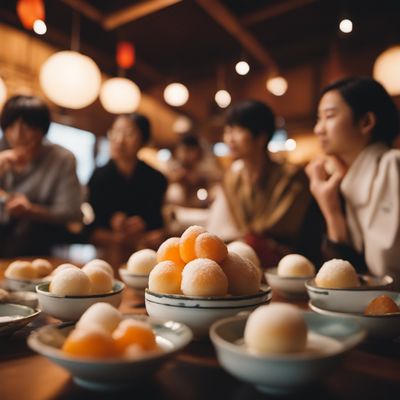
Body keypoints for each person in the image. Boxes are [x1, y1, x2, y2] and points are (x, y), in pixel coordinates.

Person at [306, 76, 400, 287]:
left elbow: (384, 275)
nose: (318, 129)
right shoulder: (339, 181)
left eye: (329, 116)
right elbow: (341, 278)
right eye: (318, 118)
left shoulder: (392, 165)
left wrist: (331, 209)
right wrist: (331, 210)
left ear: (366, 122)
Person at [207, 99, 323, 267]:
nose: (229, 138)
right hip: (249, 255)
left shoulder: (291, 177)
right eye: (227, 131)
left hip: (289, 262)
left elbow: (282, 228)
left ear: (261, 137)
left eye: (238, 130)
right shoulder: (231, 178)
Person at [0, 95, 83, 256]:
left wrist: (30, 210)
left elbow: (70, 212)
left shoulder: (62, 159)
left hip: (43, 244)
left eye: (27, 127)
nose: (17, 135)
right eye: (10, 126)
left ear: (42, 129)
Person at [87, 112, 167, 264]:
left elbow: (158, 226)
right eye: (115, 132)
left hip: (145, 255)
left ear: (144, 141)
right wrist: (114, 225)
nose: (119, 140)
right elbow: (91, 228)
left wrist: (143, 225)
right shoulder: (98, 176)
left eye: (128, 134)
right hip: (105, 256)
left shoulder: (156, 179)